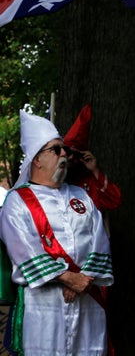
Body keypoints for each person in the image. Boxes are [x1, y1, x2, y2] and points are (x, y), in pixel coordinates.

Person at [0, 110, 113, 355]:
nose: (65, 154)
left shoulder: (81, 196)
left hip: (87, 299)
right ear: (37, 159)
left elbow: (100, 241)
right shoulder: (17, 201)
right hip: (43, 303)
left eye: (66, 150)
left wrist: (82, 279)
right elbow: (23, 250)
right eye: (57, 149)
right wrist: (67, 277)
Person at [63, 104, 122, 214]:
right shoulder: (52, 181)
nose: (71, 157)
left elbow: (114, 201)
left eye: (76, 155)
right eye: (68, 152)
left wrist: (95, 170)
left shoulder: (91, 183)